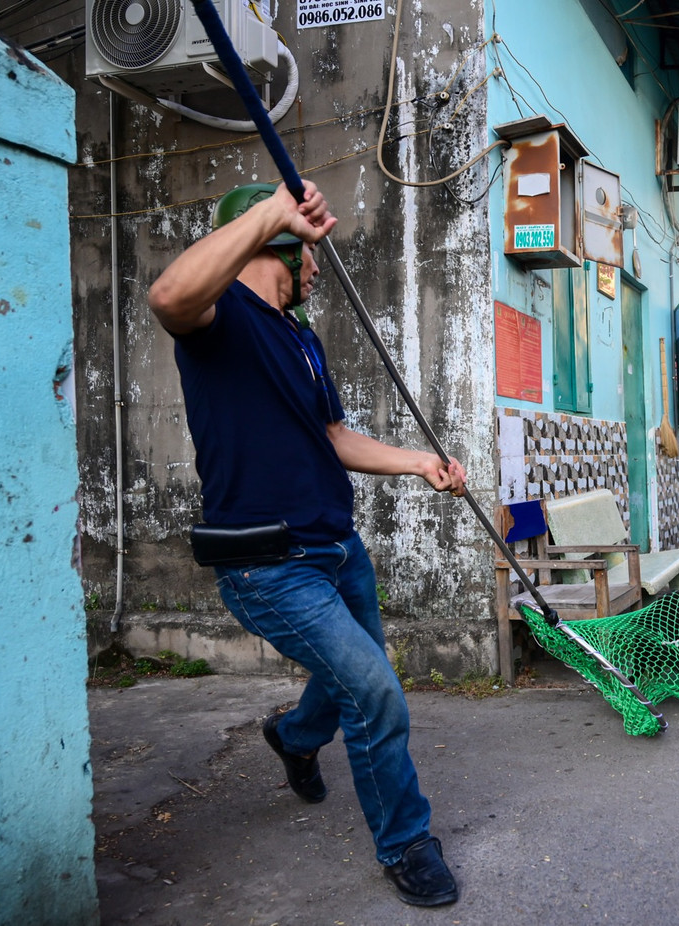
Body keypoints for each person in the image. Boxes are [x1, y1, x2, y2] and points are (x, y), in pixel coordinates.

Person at [148, 181, 467, 905]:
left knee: (350, 672)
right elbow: (167, 296)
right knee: (374, 691)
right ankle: (406, 842)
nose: (318, 268)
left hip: (337, 548)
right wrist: (270, 213)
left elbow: (331, 436)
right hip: (270, 564)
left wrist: (420, 462)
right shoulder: (217, 318)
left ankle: (294, 738)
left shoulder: (302, 337)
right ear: (277, 246)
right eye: (309, 253)